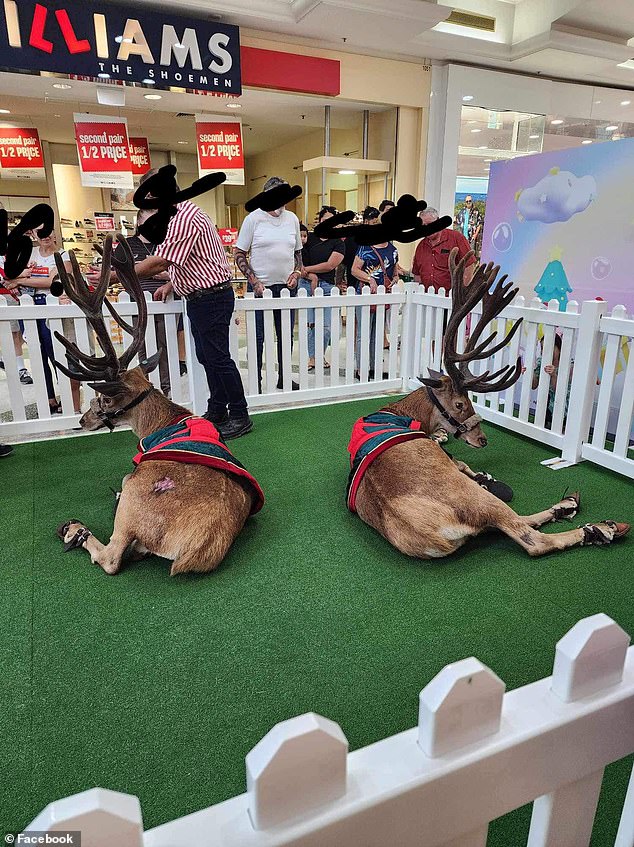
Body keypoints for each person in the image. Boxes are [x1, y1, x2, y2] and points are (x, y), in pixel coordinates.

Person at [106, 168, 252, 440]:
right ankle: (219, 410)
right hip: (204, 297)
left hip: (210, 297)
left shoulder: (184, 218)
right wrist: (171, 280)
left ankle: (240, 415)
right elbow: (185, 263)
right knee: (208, 357)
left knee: (218, 359)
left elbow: (161, 262)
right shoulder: (180, 214)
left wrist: (114, 274)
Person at [235, 176, 303, 392]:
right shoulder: (253, 219)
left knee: (286, 336)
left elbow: (297, 252)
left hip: (286, 288)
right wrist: (253, 280)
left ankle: (284, 377)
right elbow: (239, 253)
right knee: (257, 337)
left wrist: (297, 272)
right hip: (260, 289)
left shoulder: (292, 218)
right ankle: (256, 380)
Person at [113, 209, 172, 396]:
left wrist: (166, 275)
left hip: (165, 302)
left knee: (165, 346)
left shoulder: (165, 243)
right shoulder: (126, 245)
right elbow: (118, 273)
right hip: (137, 303)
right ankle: (146, 388)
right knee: (142, 347)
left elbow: (180, 269)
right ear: (139, 223)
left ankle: (167, 388)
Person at [351, 206, 401, 379]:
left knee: (376, 333)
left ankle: (373, 367)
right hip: (365, 295)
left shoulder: (393, 250)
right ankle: (361, 368)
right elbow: (354, 270)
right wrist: (369, 279)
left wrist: (395, 279)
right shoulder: (365, 247)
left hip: (382, 296)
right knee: (363, 334)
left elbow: (394, 271)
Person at [300, 206, 344, 371]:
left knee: (326, 326)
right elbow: (297, 258)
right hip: (306, 284)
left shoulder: (338, 243)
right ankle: (313, 358)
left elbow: (330, 265)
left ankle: (319, 354)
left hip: (326, 286)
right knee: (310, 324)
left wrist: (309, 270)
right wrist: (308, 275)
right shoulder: (308, 238)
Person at [412, 207, 476, 293]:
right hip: (426, 300)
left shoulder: (456, 238)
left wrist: (462, 291)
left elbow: (469, 265)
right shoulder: (421, 246)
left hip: (450, 298)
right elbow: (417, 274)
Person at [0, 257, 33, 384]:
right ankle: (20, 368)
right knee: (13, 333)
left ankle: (7, 359)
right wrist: (23, 274)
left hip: (16, 295)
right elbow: (4, 275)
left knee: (19, 333)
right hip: (5, 295)